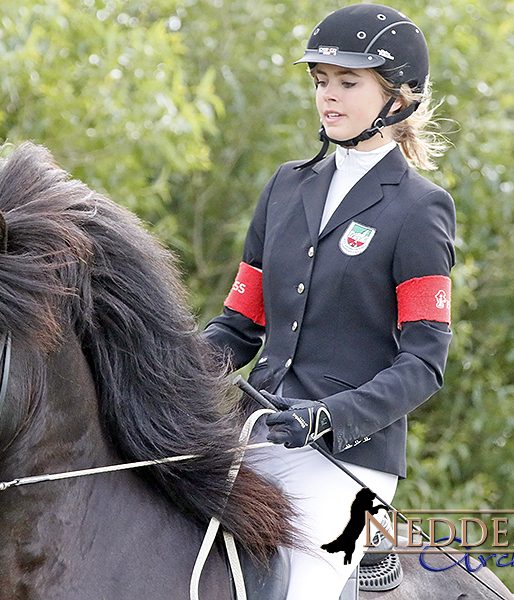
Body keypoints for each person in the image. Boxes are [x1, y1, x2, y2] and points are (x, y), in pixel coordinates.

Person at [203, 4, 455, 599]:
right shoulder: (286, 187)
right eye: (321, 82)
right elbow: (240, 326)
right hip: (256, 434)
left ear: (396, 97)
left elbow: (423, 364)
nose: (328, 97)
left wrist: (328, 417)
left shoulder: (420, 209)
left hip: (348, 459)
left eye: (348, 82)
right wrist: (166, 362)